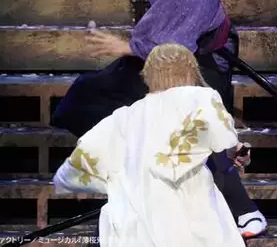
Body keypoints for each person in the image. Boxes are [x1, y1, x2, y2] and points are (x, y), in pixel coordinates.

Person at [51, 0, 268, 237]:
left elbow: (174, 45)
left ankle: (246, 212)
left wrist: (126, 47)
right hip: (167, 48)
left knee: (196, 123)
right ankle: (139, 166)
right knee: (85, 96)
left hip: (199, 55)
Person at [53, 43, 248, 247]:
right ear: (192, 71)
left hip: (136, 221)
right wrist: (235, 150)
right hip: (188, 212)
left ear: (147, 76)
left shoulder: (121, 118)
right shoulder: (200, 99)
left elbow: (75, 167)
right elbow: (224, 138)